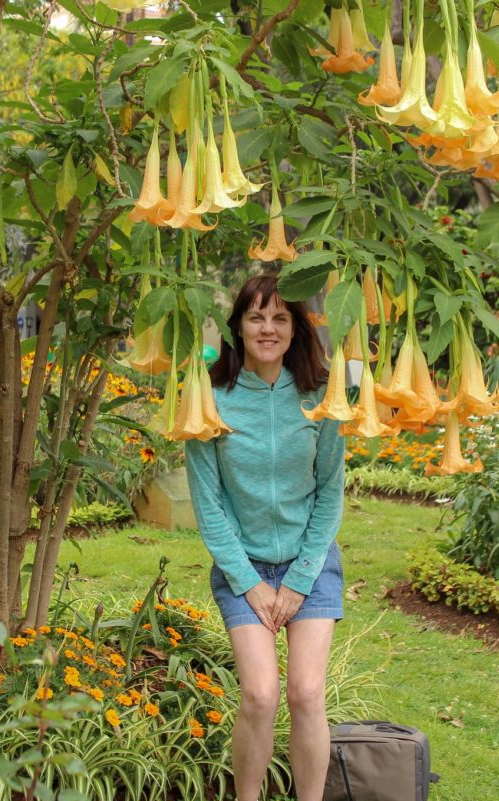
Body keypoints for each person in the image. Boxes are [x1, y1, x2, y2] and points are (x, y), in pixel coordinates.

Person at [185, 273, 346, 801]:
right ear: (237, 328)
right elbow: (208, 505)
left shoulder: (322, 398)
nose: (268, 328)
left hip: (310, 563)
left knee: (305, 693)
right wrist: (250, 582)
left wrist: (300, 579)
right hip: (243, 567)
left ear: (297, 329)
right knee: (258, 695)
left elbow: (330, 494)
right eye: (256, 316)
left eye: (280, 317)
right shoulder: (211, 400)